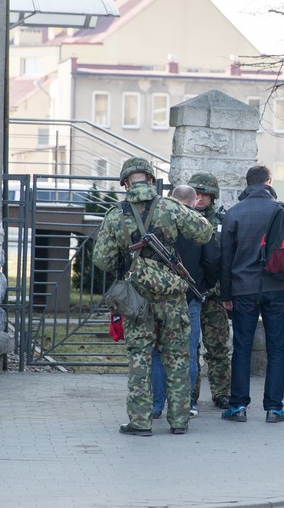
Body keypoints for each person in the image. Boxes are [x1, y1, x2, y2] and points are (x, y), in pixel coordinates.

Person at [92, 158, 211, 436]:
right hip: (171, 296)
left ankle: (140, 422)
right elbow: (204, 232)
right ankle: (180, 420)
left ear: (124, 183)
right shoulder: (170, 207)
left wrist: (129, 259)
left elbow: (101, 260)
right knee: (178, 356)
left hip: (136, 298)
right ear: (150, 179)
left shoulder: (115, 214)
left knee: (139, 358)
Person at [219, 165, 284, 423]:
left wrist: (225, 294)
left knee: (241, 347)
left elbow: (225, 259)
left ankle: (238, 407)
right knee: (276, 348)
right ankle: (274, 408)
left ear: (247, 184)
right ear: (269, 181)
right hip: (276, 288)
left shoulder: (234, 213)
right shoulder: (281, 210)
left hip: (242, 289)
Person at [150, 185, 218, 420]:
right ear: (194, 200)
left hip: (159, 296)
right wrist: (203, 286)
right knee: (187, 353)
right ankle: (187, 403)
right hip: (190, 297)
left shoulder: (157, 221)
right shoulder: (200, 224)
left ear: (171, 199)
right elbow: (212, 261)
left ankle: (156, 405)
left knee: (158, 352)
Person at [187, 172, 232, 410]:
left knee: (218, 348)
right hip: (190, 293)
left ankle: (222, 393)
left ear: (213, 197)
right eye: (197, 193)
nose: (201, 198)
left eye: (205, 194)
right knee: (190, 348)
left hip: (214, 296)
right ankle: (190, 394)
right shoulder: (182, 218)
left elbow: (228, 259)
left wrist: (227, 293)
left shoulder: (224, 221)